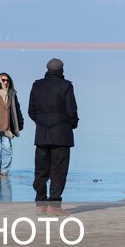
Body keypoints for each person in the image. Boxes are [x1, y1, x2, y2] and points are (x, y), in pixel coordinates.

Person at [28, 58, 79, 214]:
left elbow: (31, 111)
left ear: (48, 70)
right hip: (61, 134)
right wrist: (71, 124)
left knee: (41, 170)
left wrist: (42, 122)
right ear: (61, 70)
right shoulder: (66, 86)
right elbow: (71, 110)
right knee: (59, 171)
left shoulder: (37, 85)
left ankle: (40, 204)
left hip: (42, 134)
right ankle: (54, 206)